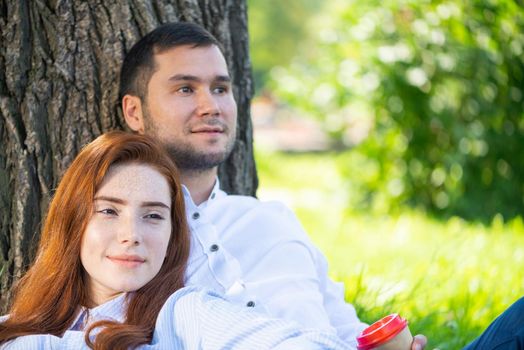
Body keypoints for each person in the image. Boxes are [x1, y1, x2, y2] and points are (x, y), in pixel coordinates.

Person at [119, 21, 428, 349]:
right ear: (134, 112)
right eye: (185, 89)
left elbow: (348, 328)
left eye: (221, 89)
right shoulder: (127, 241)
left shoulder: (272, 219)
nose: (211, 106)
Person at [0, 131, 352, 349]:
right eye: (108, 211)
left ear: (172, 235)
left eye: (153, 216)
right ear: (72, 221)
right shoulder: (17, 328)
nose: (131, 236)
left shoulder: (186, 315)